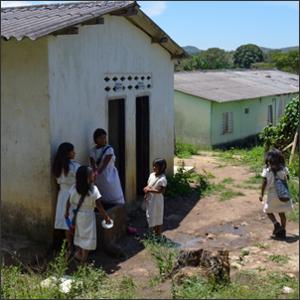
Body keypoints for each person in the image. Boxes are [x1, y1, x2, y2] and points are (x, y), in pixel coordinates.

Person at [65, 166, 111, 263]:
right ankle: (83, 261)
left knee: (80, 236)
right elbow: (99, 206)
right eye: (92, 174)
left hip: (77, 216)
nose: (94, 174)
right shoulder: (94, 190)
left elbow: (68, 201)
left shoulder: (74, 188)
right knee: (87, 239)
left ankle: (79, 255)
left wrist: (66, 212)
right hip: (88, 217)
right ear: (87, 178)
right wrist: (106, 217)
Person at [259, 148, 294, 239]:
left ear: (268, 161)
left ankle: (276, 224)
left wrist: (261, 194)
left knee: (268, 211)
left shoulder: (267, 170)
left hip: (272, 195)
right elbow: (288, 178)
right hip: (283, 194)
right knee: (282, 213)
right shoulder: (283, 169)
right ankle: (283, 230)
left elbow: (264, 183)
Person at [53, 142, 80, 254]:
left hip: (62, 195)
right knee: (76, 220)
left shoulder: (57, 167)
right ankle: (77, 245)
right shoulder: (75, 167)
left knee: (66, 222)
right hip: (73, 195)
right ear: (68, 153)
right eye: (73, 151)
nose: (75, 153)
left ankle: (69, 246)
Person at [89, 128, 124, 209]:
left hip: (109, 174)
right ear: (96, 139)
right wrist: (94, 175)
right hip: (98, 176)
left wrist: (96, 174)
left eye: (104, 137)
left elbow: (105, 164)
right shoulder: (92, 151)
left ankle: (118, 210)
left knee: (113, 193)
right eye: (101, 138)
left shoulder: (109, 149)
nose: (104, 140)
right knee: (101, 195)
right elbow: (93, 164)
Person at [143, 158, 167, 236]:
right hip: (151, 199)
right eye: (153, 166)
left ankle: (158, 235)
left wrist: (149, 190)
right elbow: (149, 185)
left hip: (157, 201)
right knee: (150, 215)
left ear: (161, 168)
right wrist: (146, 189)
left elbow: (161, 191)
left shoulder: (162, 179)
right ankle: (152, 234)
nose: (154, 168)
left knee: (158, 217)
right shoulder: (152, 175)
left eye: (156, 166)